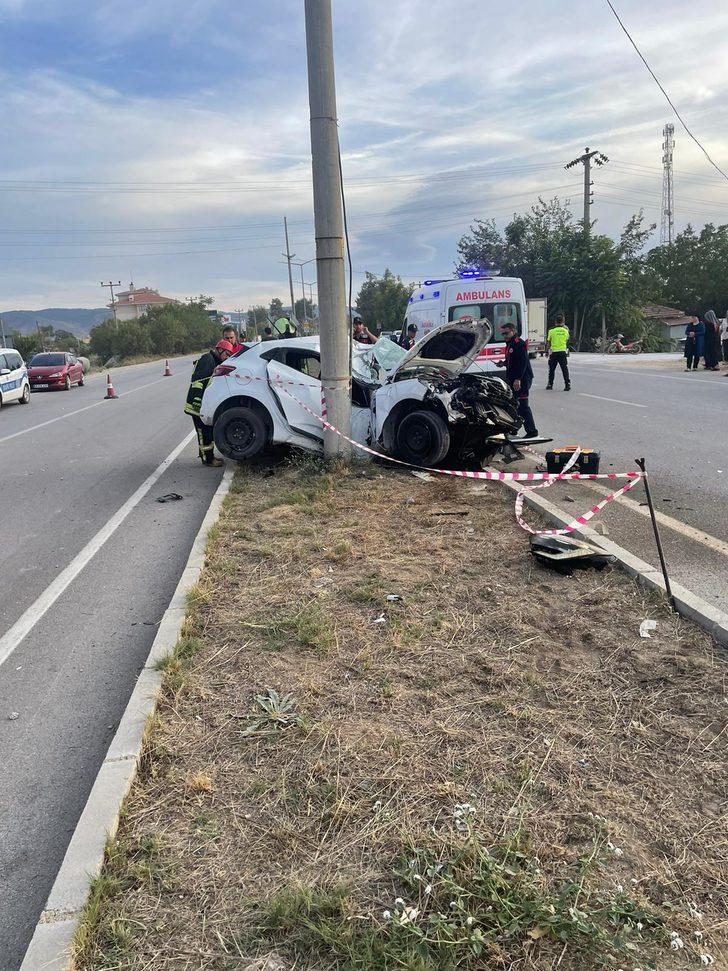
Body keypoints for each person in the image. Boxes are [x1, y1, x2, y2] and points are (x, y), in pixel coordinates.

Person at [184, 340, 233, 467]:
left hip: (203, 404)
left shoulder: (214, 360)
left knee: (207, 430)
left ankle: (206, 455)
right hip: (197, 404)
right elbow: (198, 381)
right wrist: (197, 401)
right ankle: (208, 459)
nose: (227, 357)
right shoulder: (208, 360)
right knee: (203, 431)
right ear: (219, 350)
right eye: (227, 354)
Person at [496, 322, 539, 439]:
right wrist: (503, 363)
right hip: (514, 378)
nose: (504, 335)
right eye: (503, 333)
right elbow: (512, 361)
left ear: (513, 331)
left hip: (522, 379)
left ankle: (532, 431)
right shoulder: (509, 344)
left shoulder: (518, 343)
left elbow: (522, 363)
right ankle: (514, 429)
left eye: (506, 333)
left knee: (523, 406)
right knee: (514, 405)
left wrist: (518, 379)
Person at [545, 313, 571, 390]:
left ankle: (550, 384)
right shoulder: (565, 331)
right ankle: (567, 384)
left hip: (554, 353)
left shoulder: (551, 331)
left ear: (555, 322)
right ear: (563, 321)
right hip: (562, 352)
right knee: (564, 369)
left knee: (552, 370)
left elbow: (548, 343)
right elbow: (567, 341)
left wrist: (547, 352)